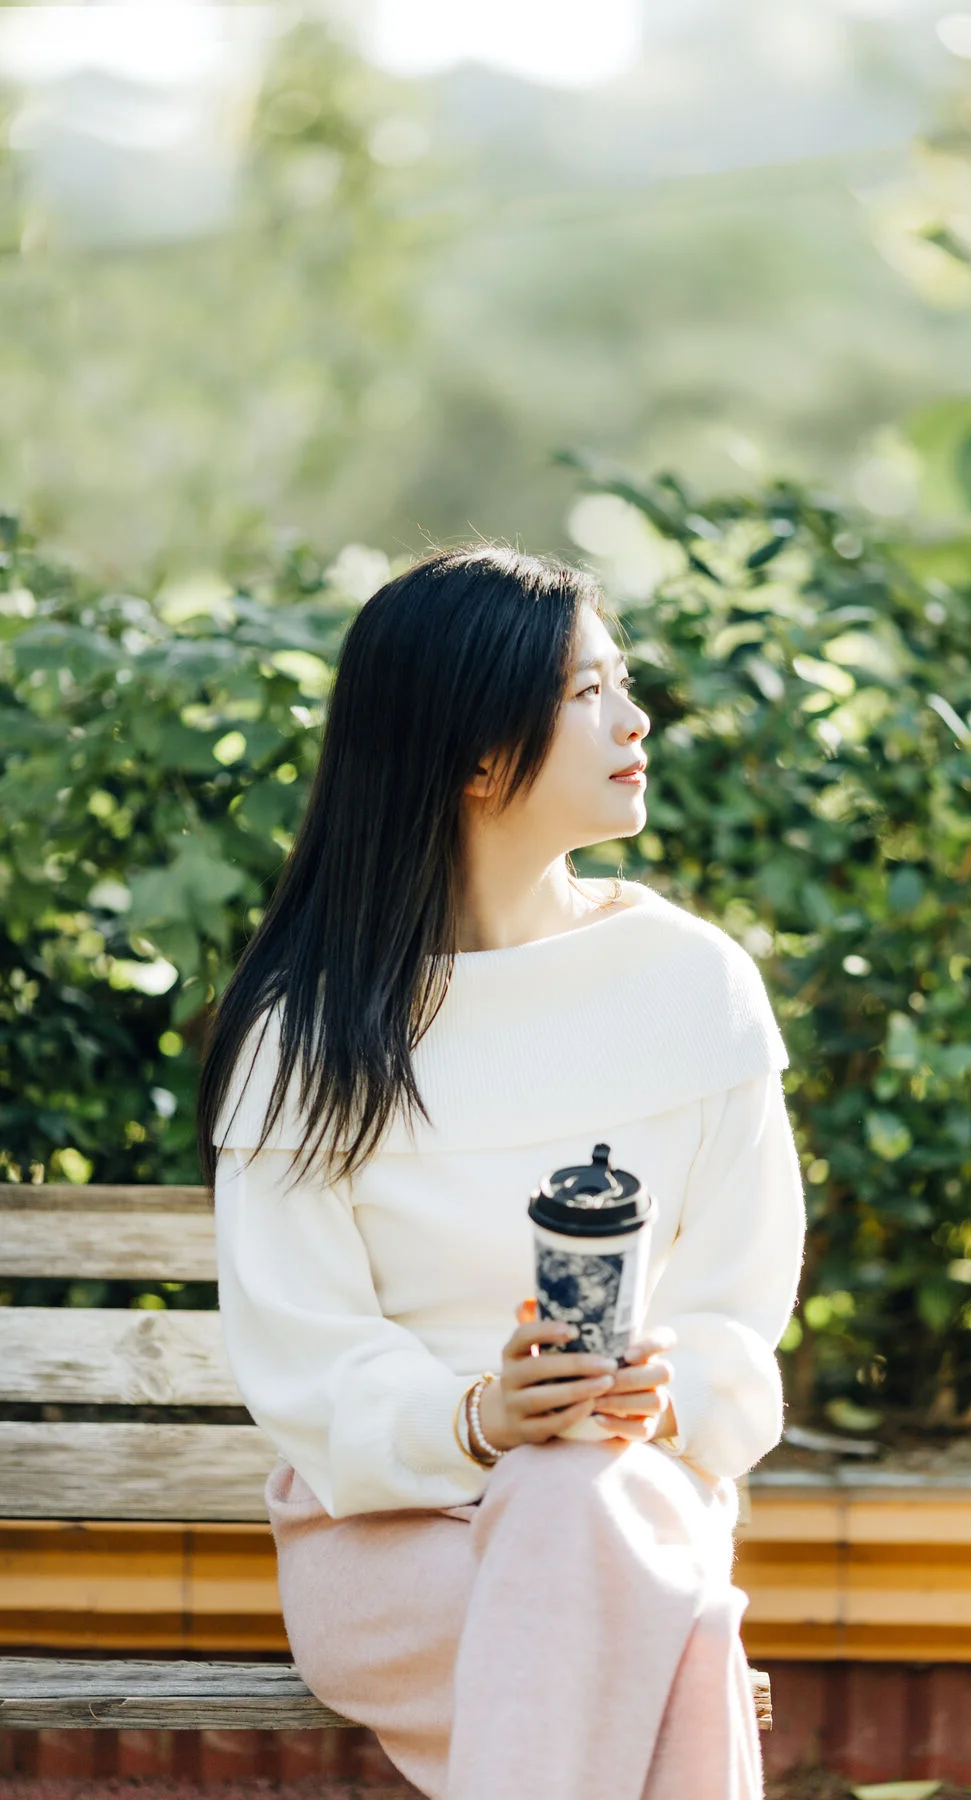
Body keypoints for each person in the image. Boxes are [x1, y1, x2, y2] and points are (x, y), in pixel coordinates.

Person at [196, 544, 805, 1800]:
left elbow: (739, 1309)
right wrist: (480, 1418)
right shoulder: (309, 1031)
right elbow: (307, 1356)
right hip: (393, 1539)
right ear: (477, 758)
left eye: (621, 682)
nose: (636, 720)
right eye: (587, 693)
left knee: (581, 1502)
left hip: (629, 1498)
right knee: (670, 1632)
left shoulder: (695, 987)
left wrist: (657, 1397)